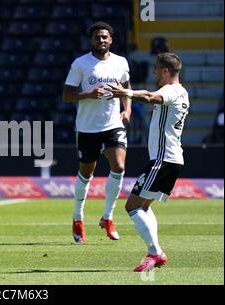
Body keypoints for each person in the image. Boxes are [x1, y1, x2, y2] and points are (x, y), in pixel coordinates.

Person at [107, 52, 189, 272]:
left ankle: (155, 252)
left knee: (132, 206)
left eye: (156, 69)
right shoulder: (182, 92)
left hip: (163, 160)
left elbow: (151, 98)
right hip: (171, 159)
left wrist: (128, 93)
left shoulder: (170, 91)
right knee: (143, 206)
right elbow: (153, 96)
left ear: (165, 71)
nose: (153, 72)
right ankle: (154, 252)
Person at [62, 21, 132, 244]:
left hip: (112, 125)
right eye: (97, 37)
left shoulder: (120, 62)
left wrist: (126, 109)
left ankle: (108, 217)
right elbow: (67, 95)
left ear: (111, 39)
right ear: (91, 41)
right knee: (86, 173)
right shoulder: (81, 64)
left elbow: (127, 88)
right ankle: (77, 217)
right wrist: (88, 94)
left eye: (105, 37)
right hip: (87, 128)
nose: (101, 40)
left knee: (119, 167)